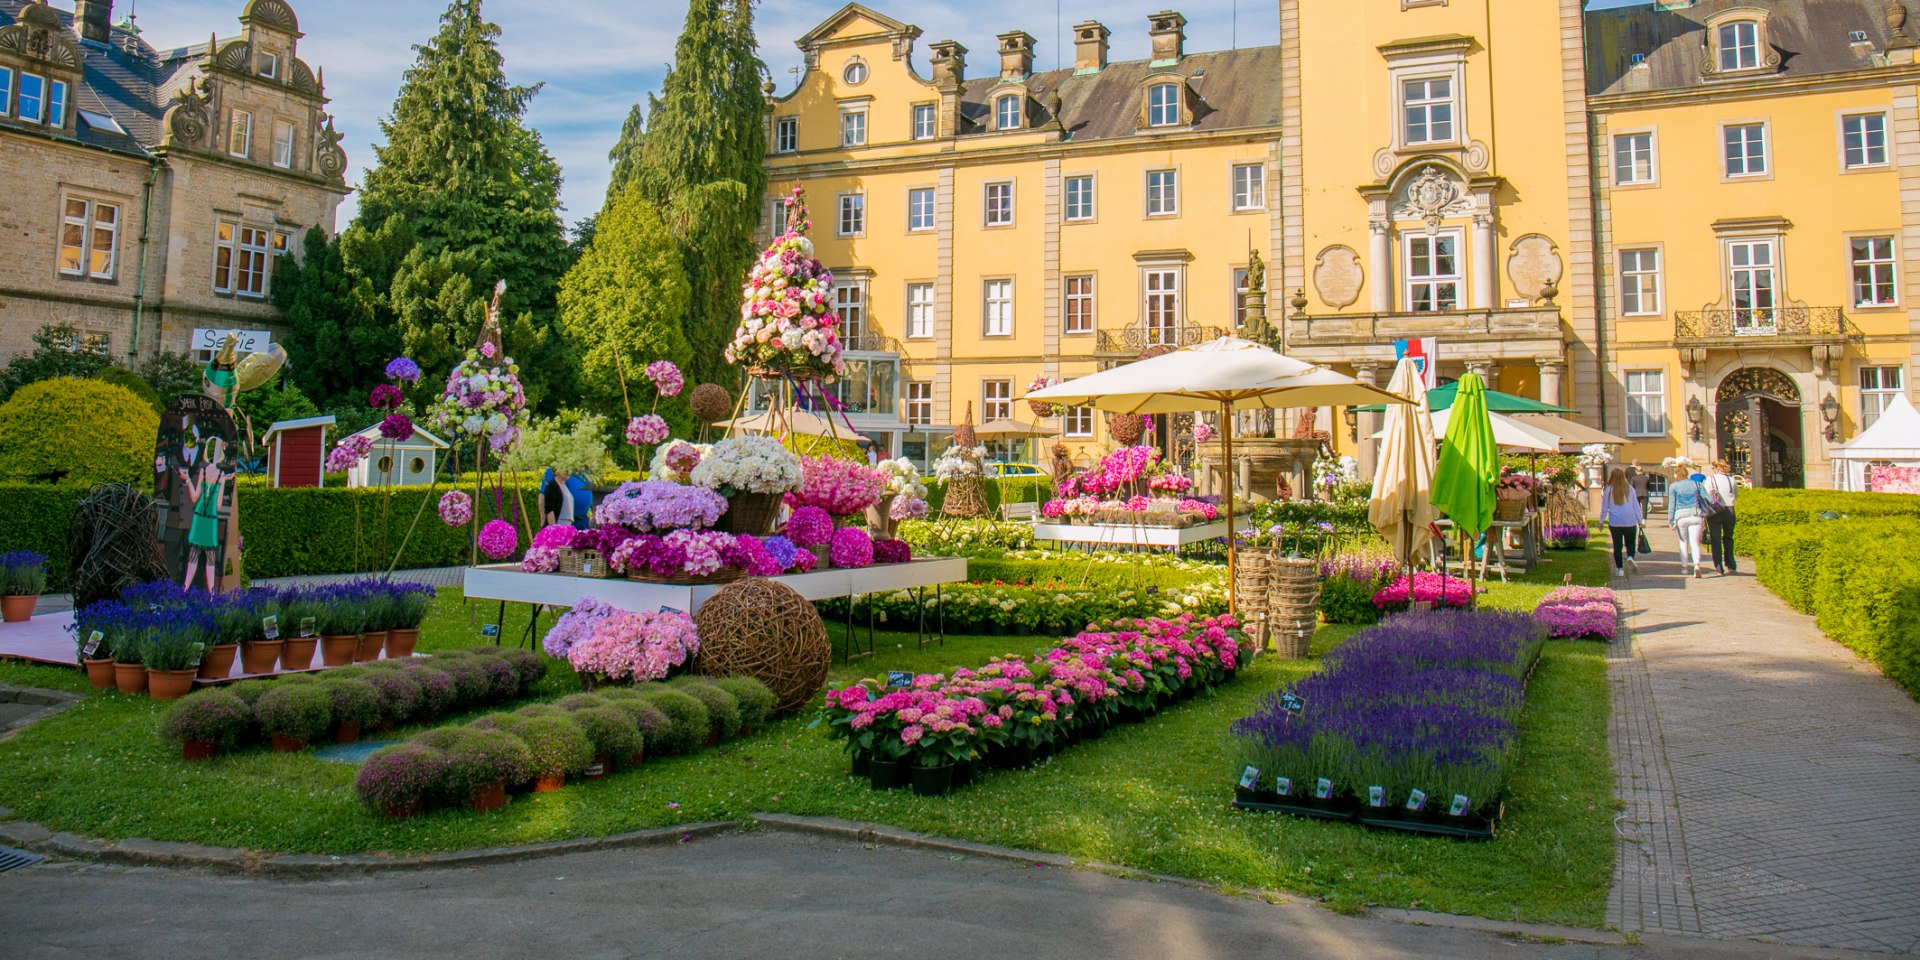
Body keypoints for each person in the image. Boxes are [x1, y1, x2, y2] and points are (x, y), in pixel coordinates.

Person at [1600, 467, 1643, 578]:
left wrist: (1601, 521)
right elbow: (1636, 507)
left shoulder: (1608, 490)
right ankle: (1630, 556)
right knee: (1630, 542)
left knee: (1617, 545)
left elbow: (1604, 507)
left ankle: (1619, 569)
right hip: (1630, 520)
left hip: (1615, 522)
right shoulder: (1630, 489)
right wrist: (1640, 520)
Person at [1668, 466, 1707, 578]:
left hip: (1681, 516)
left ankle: (1685, 568)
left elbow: (1672, 504)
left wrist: (1671, 520)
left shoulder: (1674, 486)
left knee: (1683, 542)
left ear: (1677, 474)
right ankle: (1697, 566)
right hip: (1695, 515)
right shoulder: (1696, 484)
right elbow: (1706, 498)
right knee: (1695, 543)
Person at [1703, 459, 1739, 575]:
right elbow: (1735, 494)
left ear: (1716, 468)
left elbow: (1706, 495)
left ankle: (1718, 566)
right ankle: (1731, 564)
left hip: (1715, 510)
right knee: (1728, 537)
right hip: (1729, 509)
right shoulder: (1731, 479)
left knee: (1716, 539)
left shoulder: (1710, 479)